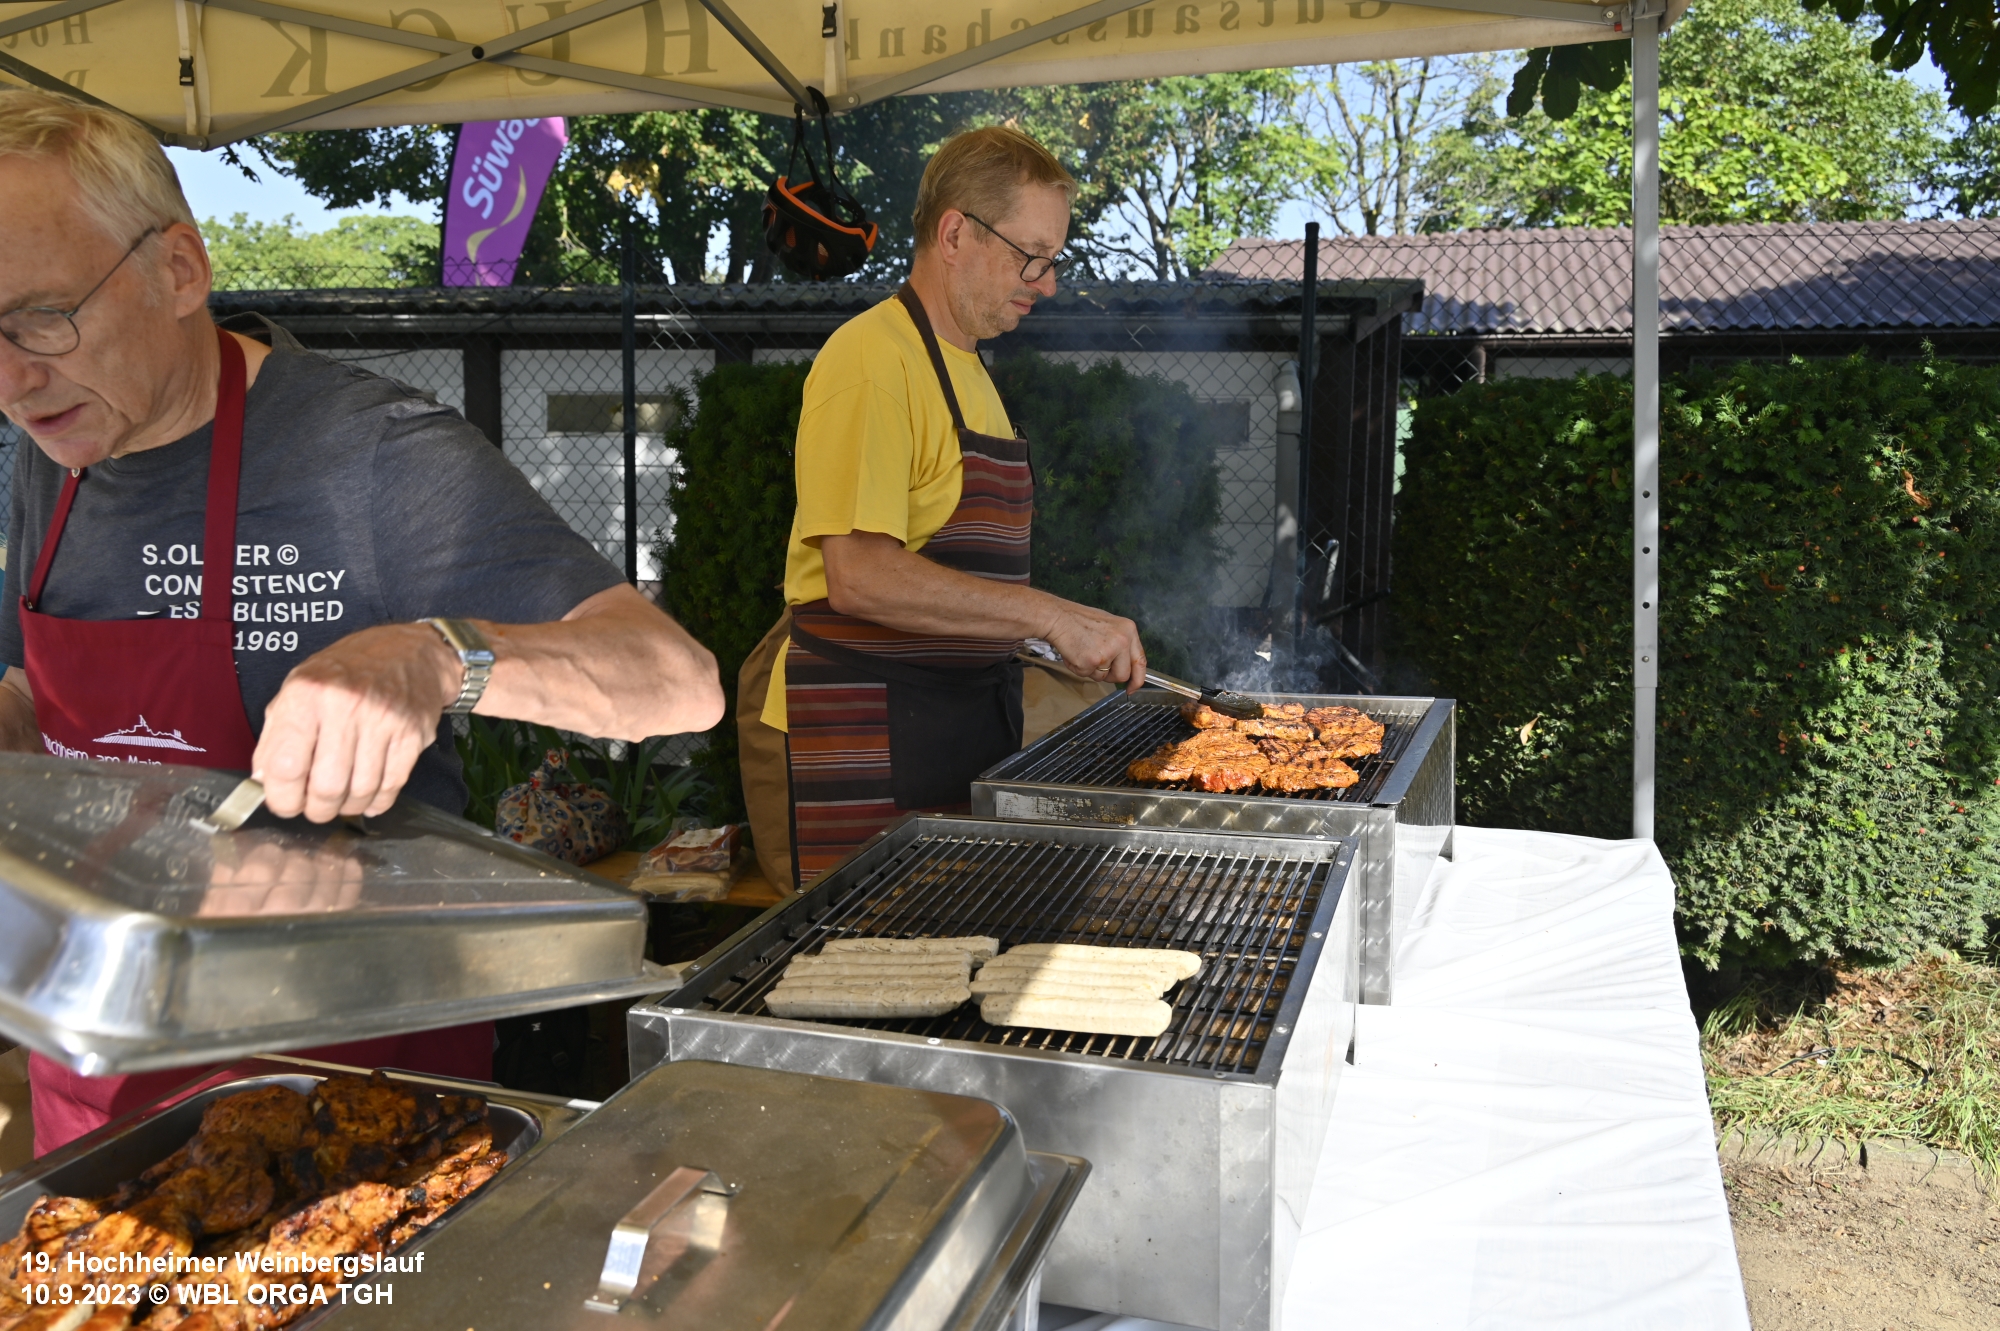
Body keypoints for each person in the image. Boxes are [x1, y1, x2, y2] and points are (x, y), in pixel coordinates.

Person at [0, 89, 725, 1153]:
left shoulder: (370, 455)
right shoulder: (52, 452)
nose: (12, 379)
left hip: (355, 1099)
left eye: (43, 317)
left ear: (180, 270)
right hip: (102, 1082)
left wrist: (437, 658)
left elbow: (677, 679)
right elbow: (34, 691)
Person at [753, 126, 1146, 885]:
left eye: (1053, 259)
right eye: (1031, 255)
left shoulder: (970, 372)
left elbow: (967, 585)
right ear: (956, 233)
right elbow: (859, 576)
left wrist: (1068, 630)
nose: (1046, 283)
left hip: (957, 729)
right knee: (871, 951)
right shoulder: (872, 360)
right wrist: (1046, 616)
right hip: (864, 738)